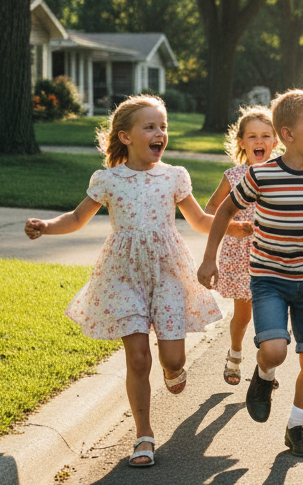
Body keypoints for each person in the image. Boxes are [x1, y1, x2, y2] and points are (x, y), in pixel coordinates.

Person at [24, 95, 250, 468]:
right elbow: (77, 218)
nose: (160, 133)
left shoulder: (175, 176)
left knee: (173, 358)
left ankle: (172, 369)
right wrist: (46, 226)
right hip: (122, 275)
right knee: (138, 357)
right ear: (126, 137)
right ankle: (143, 434)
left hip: (167, 273)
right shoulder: (107, 180)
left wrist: (234, 228)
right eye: (150, 127)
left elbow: (197, 220)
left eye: (163, 126)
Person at [197, 86, 303, 458]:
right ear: (289, 134)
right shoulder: (261, 176)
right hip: (269, 281)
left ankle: (296, 426)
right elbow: (225, 211)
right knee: (274, 351)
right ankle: (263, 376)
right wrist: (209, 258)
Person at [204, 105, 278, 387]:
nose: (259, 141)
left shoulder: (282, 173)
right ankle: (235, 354)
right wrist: (231, 227)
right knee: (244, 314)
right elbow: (212, 208)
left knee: (272, 313)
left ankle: (267, 369)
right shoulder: (233, 175)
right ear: (242, 142)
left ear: (275, 141)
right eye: (252, 136)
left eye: (265, 136)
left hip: (273, 253)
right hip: (240, 253)